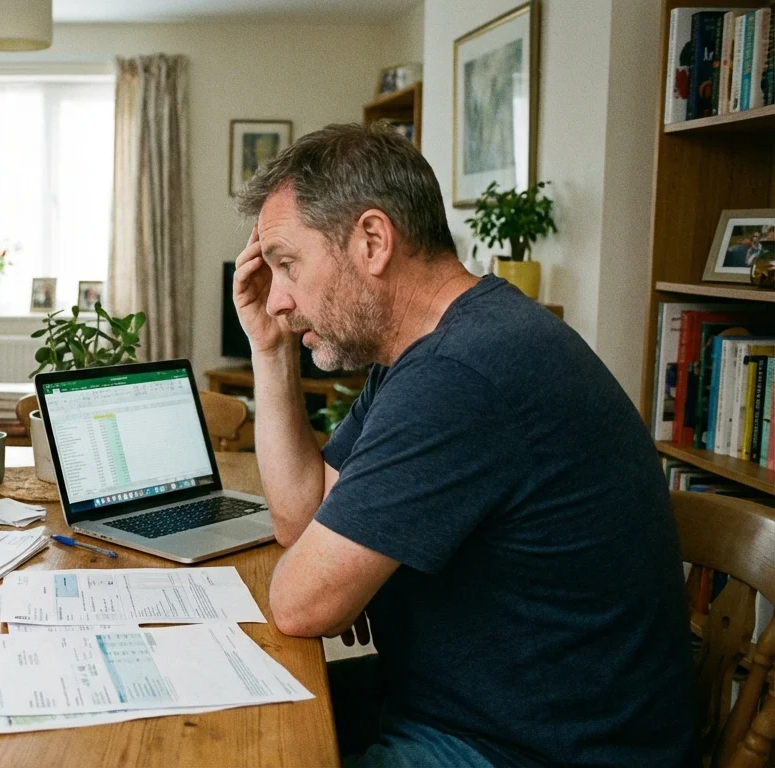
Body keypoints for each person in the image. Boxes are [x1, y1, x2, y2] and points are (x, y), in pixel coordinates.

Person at [232, 123, 695, 765]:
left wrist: (333, 574)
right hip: (471, 711)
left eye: (288, 264)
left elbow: (302, 604)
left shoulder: (465, 372)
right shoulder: (430, 352)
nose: (277, 298)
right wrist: (271, 350)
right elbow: (299, 516)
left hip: (535, 749)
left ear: (372, 241)